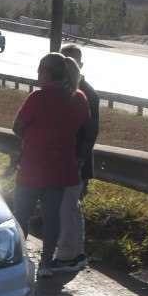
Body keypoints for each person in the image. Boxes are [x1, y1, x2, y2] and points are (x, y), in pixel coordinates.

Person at [8, 52, 90, 277]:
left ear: (47, 72)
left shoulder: (38, 98)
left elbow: (17, 126)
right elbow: (83, 127)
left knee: (20, 215)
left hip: (33, 167)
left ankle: (16, 261)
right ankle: (46, 264)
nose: (37, 75)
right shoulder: (79, 98)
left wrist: (32, 137)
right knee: (51, 218)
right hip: (61, 168)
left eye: (39, 70)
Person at [52, 44, 100, 273]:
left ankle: (69, 255)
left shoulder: (87, 93)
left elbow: (89, 132)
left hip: (76, 163)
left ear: (80, 65)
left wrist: (79, 159)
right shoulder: (62, 90)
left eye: (72, 61)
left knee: (69, 208)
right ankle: (74, 252)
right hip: (63, 161)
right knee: (69, 208)